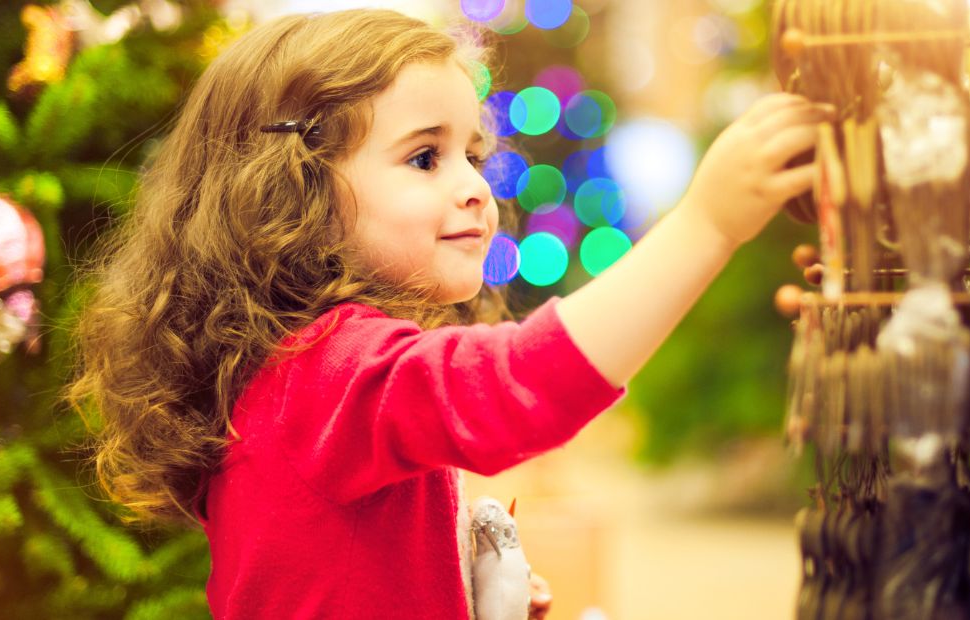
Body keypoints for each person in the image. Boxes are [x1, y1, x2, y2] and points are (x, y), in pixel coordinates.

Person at [63, 8, 831, 619]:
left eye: (474, 154)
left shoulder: (301, 370)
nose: (474, 187)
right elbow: (522, 386)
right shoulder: (323, 373)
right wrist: (710, 222)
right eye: (425, 157)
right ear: (293, 192)